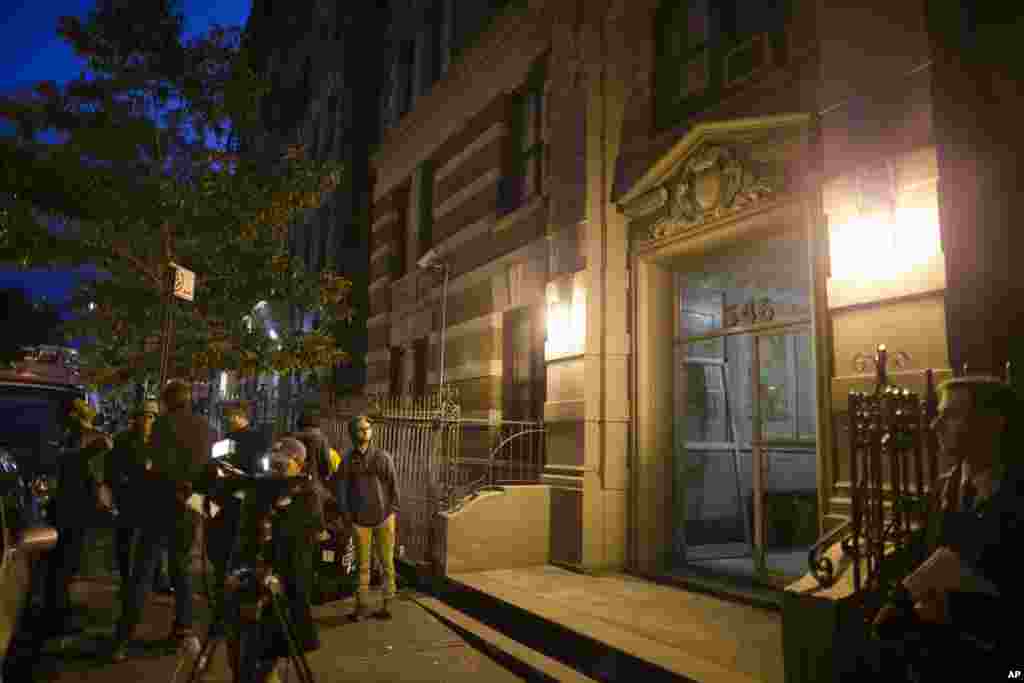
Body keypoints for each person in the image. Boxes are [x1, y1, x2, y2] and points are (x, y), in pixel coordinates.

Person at [866, 375, 1022, 676]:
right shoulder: (943, 488)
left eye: (950, 415)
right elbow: (921, 551)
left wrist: (954, 613)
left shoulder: (1017, 493)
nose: (935, 425)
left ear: (993, 422)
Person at [111, 380, 214, 661]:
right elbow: (207, 469)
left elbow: (157, 465)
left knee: (142, 572)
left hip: (159, 508)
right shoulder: (206, 428)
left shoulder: (162, 426)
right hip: (189, 509)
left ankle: (124, 636)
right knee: (182, 570)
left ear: (168, 401)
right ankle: (183, 629)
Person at [41, 398, 113, 635]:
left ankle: (57, 612)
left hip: (68, 510)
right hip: (68, 512)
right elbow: (76, 464)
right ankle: (56, 617)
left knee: (64, 566)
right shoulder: (72, 443)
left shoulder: (70, 439)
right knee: (63, 566)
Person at [333, 415, 400, 620]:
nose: (366, 432)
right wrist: (347, 517)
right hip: (359, 520)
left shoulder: (382, 457)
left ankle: (387, 604)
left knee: (387, 563)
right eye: (361, 429)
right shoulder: (347, 461)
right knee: (362, 566)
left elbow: (393, 486)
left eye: (368, 428)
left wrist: (392, 511)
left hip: (384, 517)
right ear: (353, 433)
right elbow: (342, 492)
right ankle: (362, 606)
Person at [106, 400, 172, 590]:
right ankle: (127, 578)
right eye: (146, 416)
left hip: (152, 497)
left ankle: (157, 579)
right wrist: (121, 486)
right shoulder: (122, 440)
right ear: (137, 419)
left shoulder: (160, 440)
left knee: (154, 539)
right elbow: (112, 469)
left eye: (152, 417)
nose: (149, 421)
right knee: (125, 537)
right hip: (128, 497)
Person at [222, 402, 271, 475]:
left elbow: (228, 457)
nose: (230, 420)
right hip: (249, 474)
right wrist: (264, 471)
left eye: (232, 417)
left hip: (238, 474)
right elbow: (265, 456)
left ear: (241, 417)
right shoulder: (259, 435)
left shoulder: (231, 436)